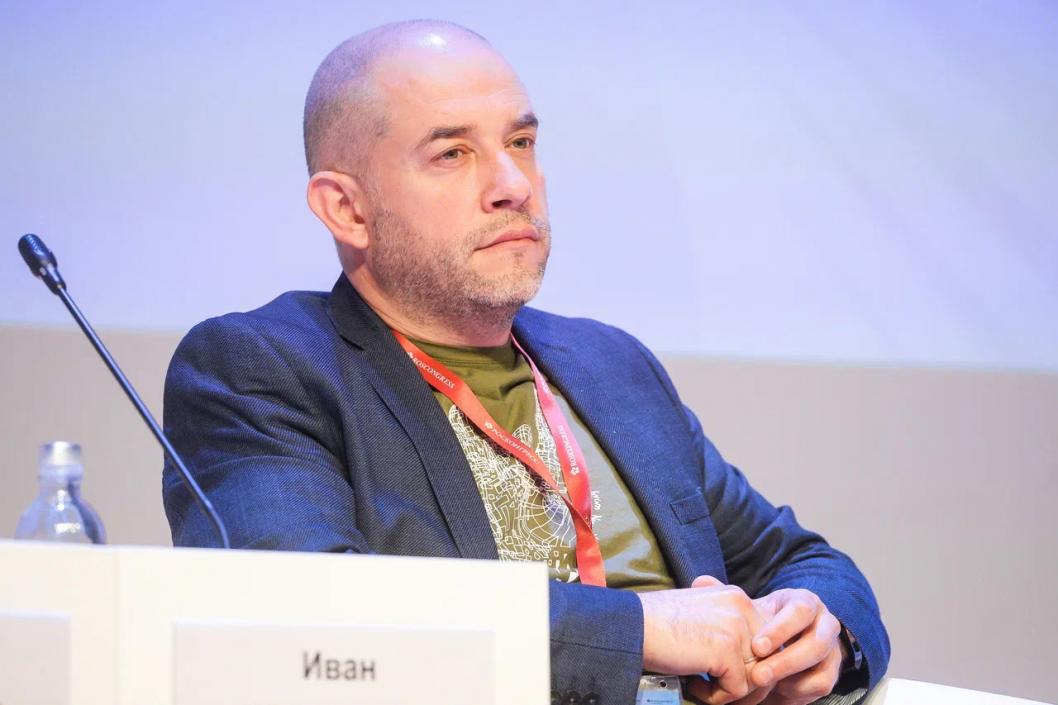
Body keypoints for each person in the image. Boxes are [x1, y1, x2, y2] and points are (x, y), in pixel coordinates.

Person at [163, 20, 889, 705]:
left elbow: (802, 560)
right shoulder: (262, 368)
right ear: (347, 210)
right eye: (452, 154)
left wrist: (817, 631)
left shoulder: (609, 363)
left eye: (521, 141)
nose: (513, 184)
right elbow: (303, 610)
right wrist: (641, 629)